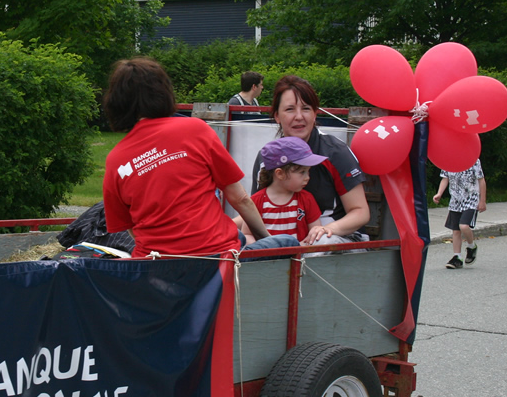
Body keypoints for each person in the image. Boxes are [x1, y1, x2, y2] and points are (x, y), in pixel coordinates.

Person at [102, 57, 298, 258]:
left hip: (155, 263)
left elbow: (130, 228)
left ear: (117, 102)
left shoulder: (115, 159)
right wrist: (267, 242)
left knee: (238, 235)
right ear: (163, 92)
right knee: (288, 242)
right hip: (217, 254)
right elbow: (240, 198)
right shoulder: (194, 129)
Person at [252, 75, 370, 247]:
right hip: (288, 242)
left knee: (318, 244)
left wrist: (327, 229)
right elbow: (256, 209)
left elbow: (360, 212)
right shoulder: (266, 158)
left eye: (306, 109)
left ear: (315, 114)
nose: (299, 116)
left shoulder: (335, 152)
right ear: (277, 116)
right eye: (290, 109)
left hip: (338, 238)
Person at [242, 137, 326, 244]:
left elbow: (315, 231)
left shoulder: (306, 199)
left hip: (298, 258)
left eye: (308, 172)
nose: (307, 177)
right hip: (268, 258)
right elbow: (247, 234)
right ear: (280, 174)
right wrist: (261, 248)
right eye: (302, 172)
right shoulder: (256, 201)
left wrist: (306, 244)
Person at [432, 159, 486, 269]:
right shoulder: (448, 161)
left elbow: (481, 180)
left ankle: (471, 247)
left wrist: (482, 201)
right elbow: (445, 178)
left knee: (464, 226)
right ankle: (457, 257)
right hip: (455, 200)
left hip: (471, 199)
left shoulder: (474, 160)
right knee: (456, 230)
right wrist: (439, 193)